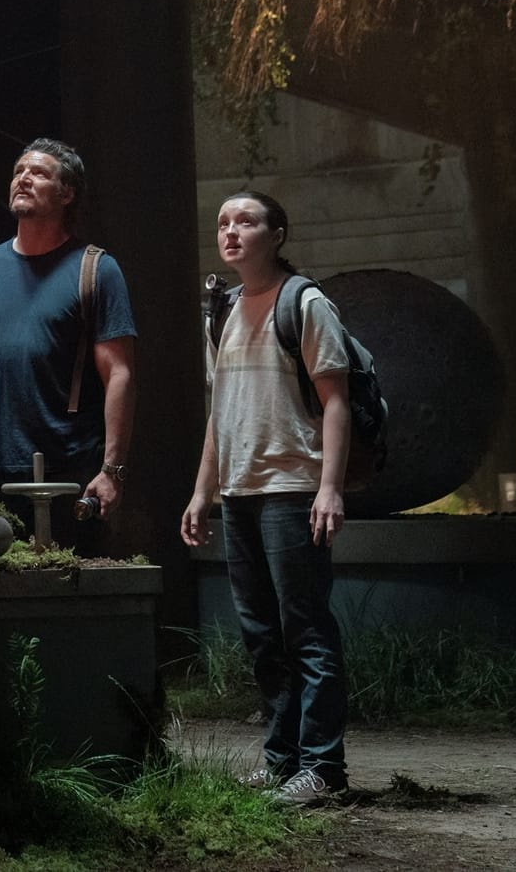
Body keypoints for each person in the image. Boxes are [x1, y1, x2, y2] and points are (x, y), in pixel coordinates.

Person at [181, 189, 350, 807]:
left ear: (276, 235)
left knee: (305, 628)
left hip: (292, 488)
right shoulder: (221, 311)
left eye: (246, 221)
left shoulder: (303, 303)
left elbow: (337, 401)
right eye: (223, 222)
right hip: (239, 492)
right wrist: (202, 491)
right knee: (261, 633)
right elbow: (220, 412)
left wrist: (329, 487)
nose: (230, 232)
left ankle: (323, 768)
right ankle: (283, 762)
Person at [0, 138, 137, 551]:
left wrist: (112, 470)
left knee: (65, 583)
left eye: (39, 173)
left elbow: (120, 373)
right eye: (19, 171)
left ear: (67, 193)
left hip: (68, 471)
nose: (23, 178)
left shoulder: (95, 270)